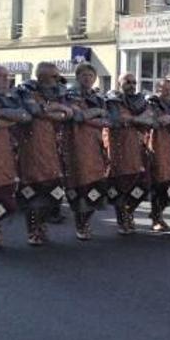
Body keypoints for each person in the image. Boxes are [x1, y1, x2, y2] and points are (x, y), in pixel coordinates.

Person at [14, 62, 73, 246]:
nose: (57, 79)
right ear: (41, 76)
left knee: (54, 194)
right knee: (32, 193)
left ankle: (41, 225)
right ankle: (33, 231)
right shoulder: (25, 90)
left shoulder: (58, 92)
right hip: (31, 148)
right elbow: (33, 111)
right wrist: (55, 110)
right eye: (53, 76)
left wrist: (50, 110)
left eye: (57, 76)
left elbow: (69, 114)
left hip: (53, 150)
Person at [63, 62, 112, 241]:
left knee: (96, 186)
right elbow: (77, 116)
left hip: (96, 147)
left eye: (91, 76)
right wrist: (96, 113)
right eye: (84, 75)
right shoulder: (70, 94)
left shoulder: (98, 97)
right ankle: (80, 224)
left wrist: (91, 116)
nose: (88, 79)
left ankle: (86, 222)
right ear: (77, 77)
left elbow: (107, 120)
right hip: (76, 146)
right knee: (79, 185)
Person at [0, 65, 32, 252]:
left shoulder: (11, 98)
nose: (4, 80)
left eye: (7, 76)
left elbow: (25, 116)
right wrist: (6, 120)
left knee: (1, 196)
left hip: (4, 156)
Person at [105, 73, 154, 235]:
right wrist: (138, 120)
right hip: (118, 149)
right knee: (121, 186)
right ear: (119, 83)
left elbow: (150, 121)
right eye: (127, 82)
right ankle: (122, 220)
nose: (131, 85)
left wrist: (131, 120)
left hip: (137, 149)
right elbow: (117, 120)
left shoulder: (140, 102)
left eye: (134, 82)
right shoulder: (112, 100)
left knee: (142, 186)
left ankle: (128, 211)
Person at [146, 79, 170, 232]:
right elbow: (154, 121)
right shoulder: (151, 102)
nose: (168, 92)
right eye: (164, 89)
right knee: (159, 183)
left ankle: (158, 213)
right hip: (157, 145)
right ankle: (156, 218)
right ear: (157, 89)